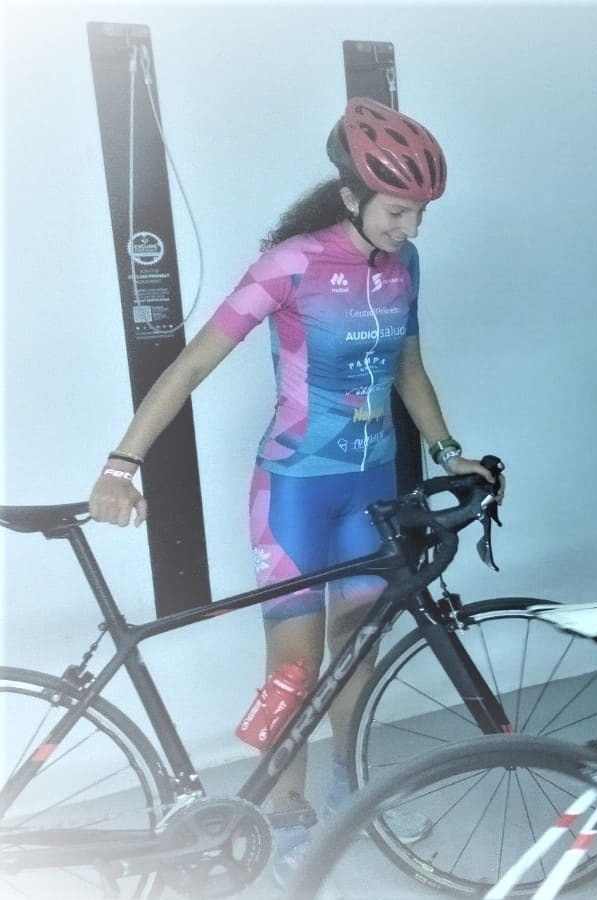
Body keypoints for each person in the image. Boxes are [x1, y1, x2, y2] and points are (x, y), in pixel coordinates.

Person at [86, 98, 500, 883]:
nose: (410, 227)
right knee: (295, 670)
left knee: (358, 653)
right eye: (397, 210)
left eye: (420, 214)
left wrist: (450, 450)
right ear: (350, 195)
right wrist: (120, 465)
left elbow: (409, 368)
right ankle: (284, 815)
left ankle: (353, 788)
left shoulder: (405, 264)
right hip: (296, 492)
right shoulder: (292, 264)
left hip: (373, 489)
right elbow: (192, 364)